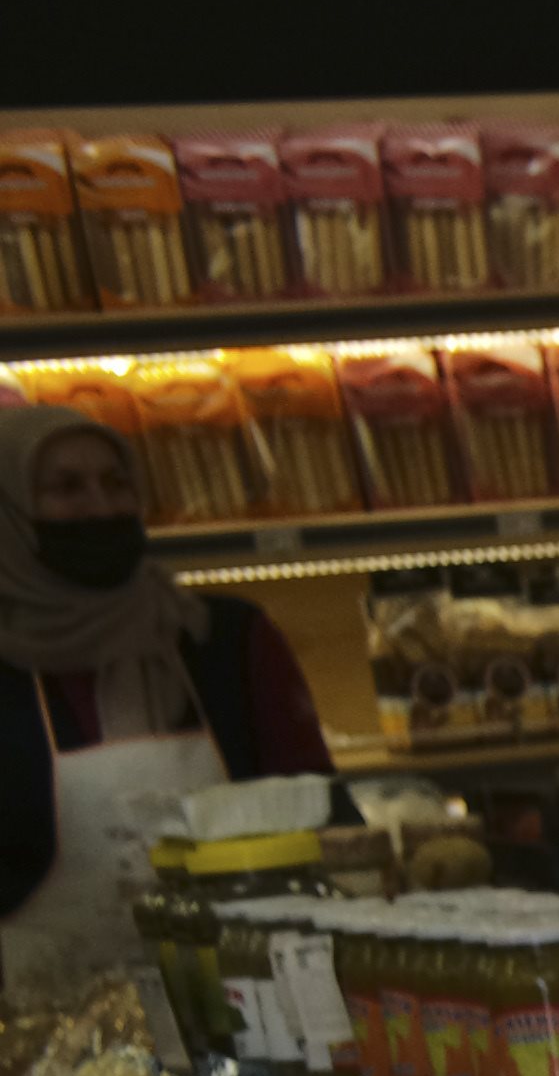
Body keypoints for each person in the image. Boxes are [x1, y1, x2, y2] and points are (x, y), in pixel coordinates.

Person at [0, 398, 330, 991]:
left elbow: (319, 806)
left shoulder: (220, 638)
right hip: (41, 1012)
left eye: (116, 483)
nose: (101, 506)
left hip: (247, 993)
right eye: (67, 489)